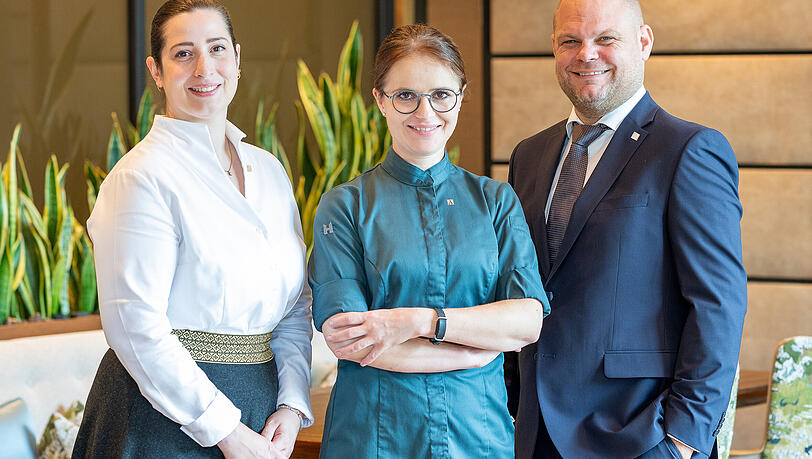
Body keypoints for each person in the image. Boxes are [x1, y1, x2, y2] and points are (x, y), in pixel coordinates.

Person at [508, 1, 747, 458]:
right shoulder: (529, 156)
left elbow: (718, 304)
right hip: (536, 434)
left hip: (640, 435)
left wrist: (682, 440)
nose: (586, 54)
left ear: (644, 42)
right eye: (570, 41)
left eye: (606, 39)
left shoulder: (689, 150)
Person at [73, 1, 312, 457]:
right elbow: (134, 326)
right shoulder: (140, 177)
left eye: (217, 48)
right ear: (157, 71)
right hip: (161, 418)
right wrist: (227, 432)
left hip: (261, 410)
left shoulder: (270, 172)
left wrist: (291, 402)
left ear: (237, 59)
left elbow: (295, 307)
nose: (205, 68)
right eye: (183, 53)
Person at [308, 24, 550, 458]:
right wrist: (477, 350)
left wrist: (416, 322)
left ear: (460, 96)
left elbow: (527, 321)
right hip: (374, 435)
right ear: (381, 100)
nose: (425, 113)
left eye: (441, 94)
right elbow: (352, 340)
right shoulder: (343, 206)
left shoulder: (496, 201)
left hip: (477, 436)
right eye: (406, 96)